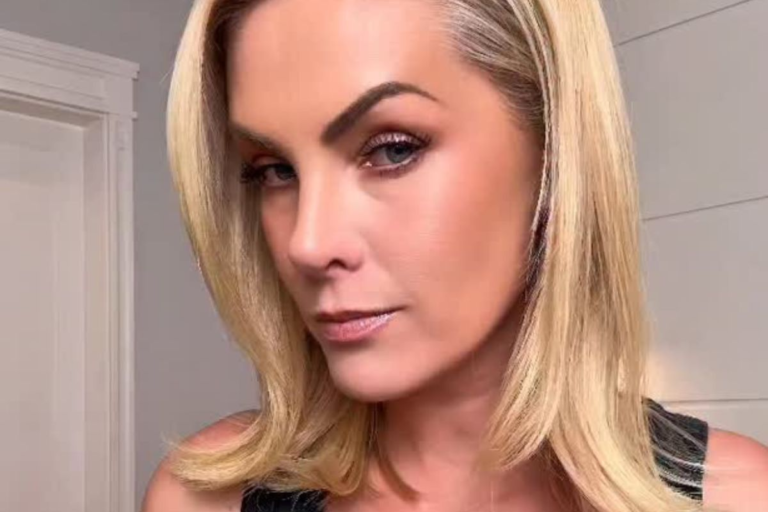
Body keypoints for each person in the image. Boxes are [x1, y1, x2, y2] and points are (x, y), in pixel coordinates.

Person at [143, 0, 768, 511]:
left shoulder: (741, 498)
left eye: (392, 149)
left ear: (554, 154)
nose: (308, 243)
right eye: (274, 169)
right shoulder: (201, 499)